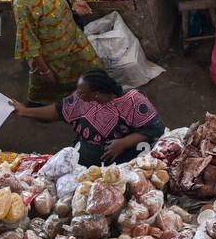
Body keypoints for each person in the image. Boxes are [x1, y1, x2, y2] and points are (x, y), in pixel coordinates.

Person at [11, 69, 165, 166]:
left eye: (81, 92)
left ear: (96, 93)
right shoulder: (80, 100)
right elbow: (57, 111)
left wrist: (123, 143)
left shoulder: (132, 101)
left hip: (126, 160)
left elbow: (156, 128)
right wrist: (25, 111)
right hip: (87, 159)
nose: (77, 94)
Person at [14, 0, 99, 103]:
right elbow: (28, 41)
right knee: (58, 87)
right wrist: (44, 70)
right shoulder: (22, 4)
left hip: (75, 40)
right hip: (53, 55)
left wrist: (74, 2)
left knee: (92, 70)